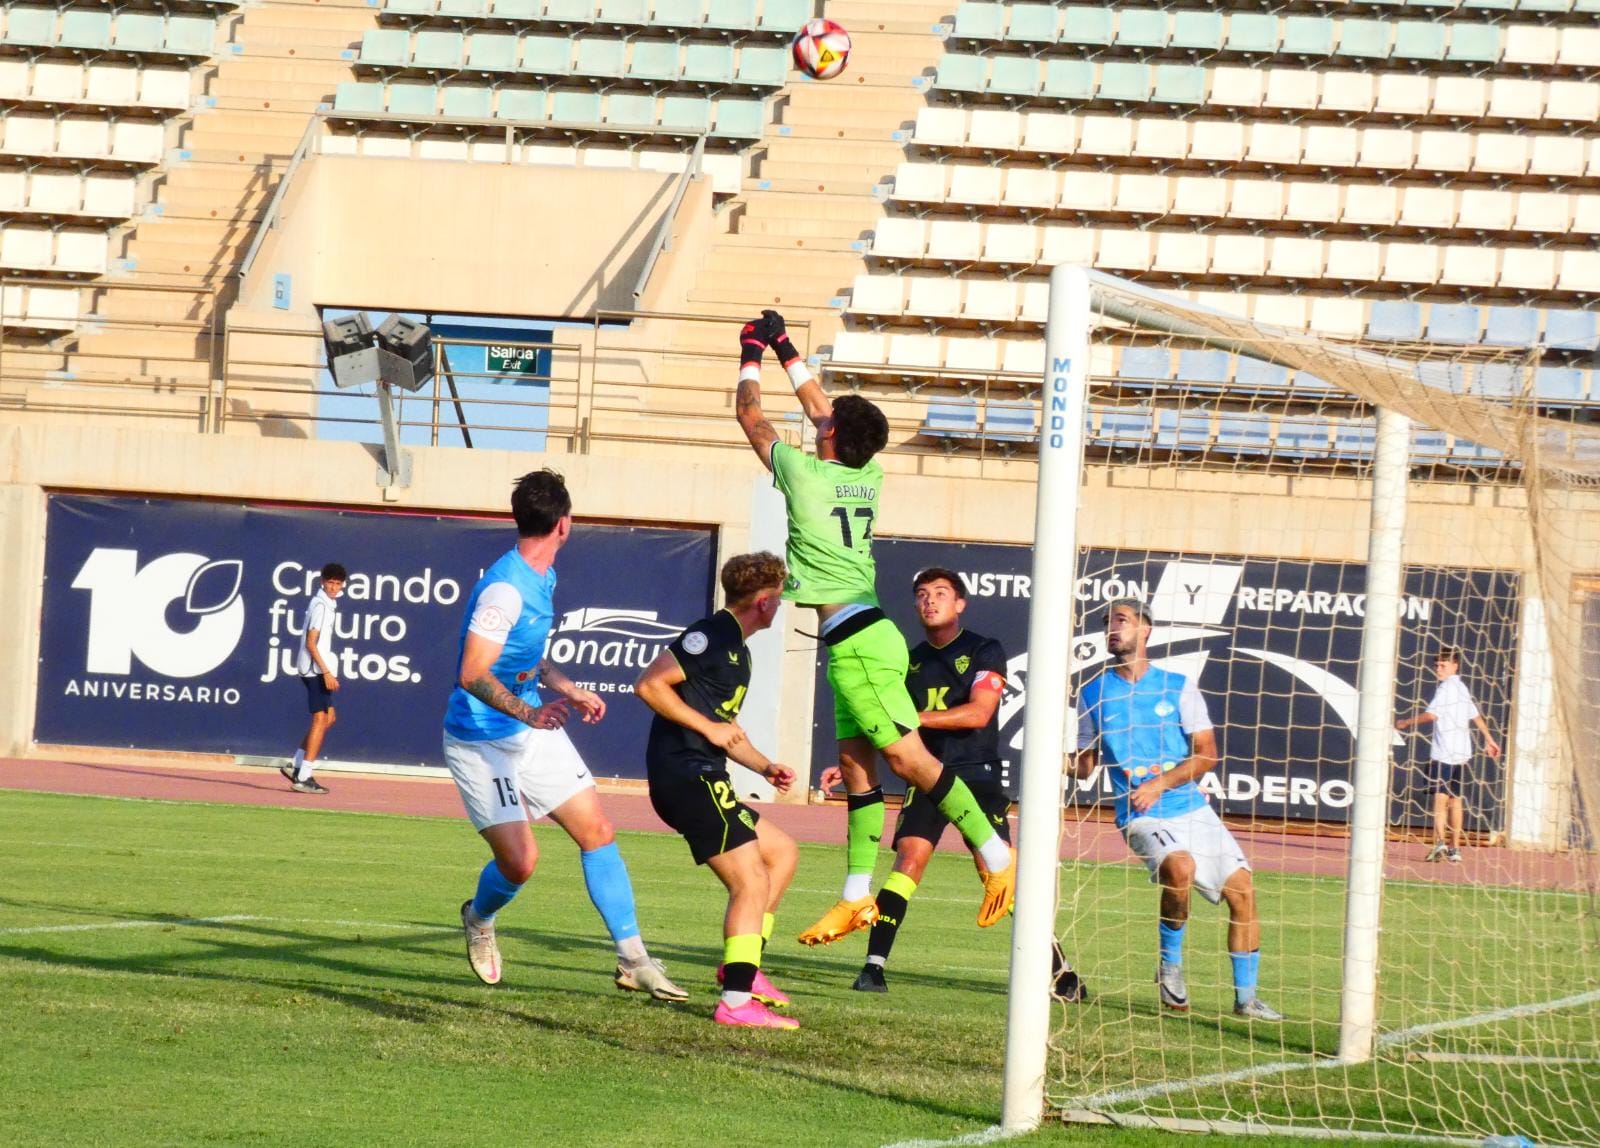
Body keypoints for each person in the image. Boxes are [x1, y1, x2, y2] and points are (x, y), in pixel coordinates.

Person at [733, 311, 1015, 946]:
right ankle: (856, 896)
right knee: (857, 769)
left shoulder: (804, 474)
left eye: (826, 422)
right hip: (855, 636)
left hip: (861, 641)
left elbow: (751, 415)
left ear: (829, 436)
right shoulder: (868, 472)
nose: (820, 419)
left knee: (906, 757)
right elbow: (822, 412)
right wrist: (784, 347)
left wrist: (751, 354)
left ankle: (996, 855)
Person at [442, 468, 686, 1001]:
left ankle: (633, 959)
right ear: (564, 524)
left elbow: (524, 658)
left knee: (597, 829)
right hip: (482, 740)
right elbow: (471, 673)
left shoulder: (542, 575)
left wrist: (567, 688)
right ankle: (478, 918)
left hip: (530, 725)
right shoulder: (506, 591)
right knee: (521, 862)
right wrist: (530, 715)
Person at [832, 566, 1086, 999]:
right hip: (926, 774)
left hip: (977, 775)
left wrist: (913, 720)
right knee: (909, 859)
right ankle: (873, 968)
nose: (930, 601)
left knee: (996, 866)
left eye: (941, 593)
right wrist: (854, 764)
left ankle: (1059, 971)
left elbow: (979, 713)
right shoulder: (906, 661)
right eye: (923, 594)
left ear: (960, 604)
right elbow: (886, 728)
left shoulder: (985, 649)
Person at [1070, 599, 1282, 1021]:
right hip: (1140, 814)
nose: (1112, 629)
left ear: (1146, 630)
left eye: (1122, 621)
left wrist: (1159, 783)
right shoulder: (1092, 692)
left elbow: (1207, 756)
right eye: (1107, 623)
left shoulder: (1178, 686)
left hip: (1189, 807)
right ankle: (1170, 965)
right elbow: (1085, 767)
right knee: (1179, 867)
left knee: (1242, 891)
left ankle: (1247, 999)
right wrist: (1054, 759)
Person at [635, 551, 802, 1030]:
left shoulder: (739, 648)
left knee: (782, 854)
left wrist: (766, 766)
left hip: (706, 774)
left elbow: (726, 729)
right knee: (749, 881)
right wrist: (706, 728)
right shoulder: (710, 634)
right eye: (780, 598)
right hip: (687, 776)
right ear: (765, 602)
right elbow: (648, 685)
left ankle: (743, 971)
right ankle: (734, 1001)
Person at [1397, 646, 1501, 864]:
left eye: (1443, 665)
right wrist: (1489, 739)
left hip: (1444, 754)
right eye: (1436, 665)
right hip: (1461, 754)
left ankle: (1440, 843)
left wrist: (1407, 722)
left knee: (1440, 800)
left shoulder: (1445, 689)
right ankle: (1454, 848)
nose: (1438, 669)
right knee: (1456, 800)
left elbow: (1432, 715)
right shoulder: (1462, 687)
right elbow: (1476, 717)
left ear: (1455, 666)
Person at [280, 562, 346, 795]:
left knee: (329, 718)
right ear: (322, 582)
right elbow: (311, 642)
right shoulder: (321, 605)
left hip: (318, 668)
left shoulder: (328, 603)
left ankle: (297, 764)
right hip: (314, 669)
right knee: (320, 719)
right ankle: (304, 777)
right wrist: (326, 672)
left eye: (337, 584)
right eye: (330, 582)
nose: (333, 587)